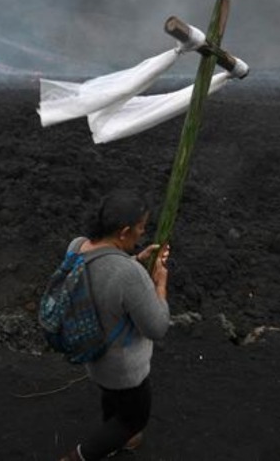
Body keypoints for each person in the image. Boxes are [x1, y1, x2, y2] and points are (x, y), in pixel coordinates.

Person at [57, 190, 170, 461]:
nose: (143, 234)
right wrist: (159, 285)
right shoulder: (128, 276)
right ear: (124, 231)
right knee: (134, 419)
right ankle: (80, 457)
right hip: (124, 368)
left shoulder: (77, 246)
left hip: (93, 356)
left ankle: (114, 440)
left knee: (113, 399)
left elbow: (102, 276)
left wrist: (135, 260)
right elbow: (157, 327)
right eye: (141, 228)